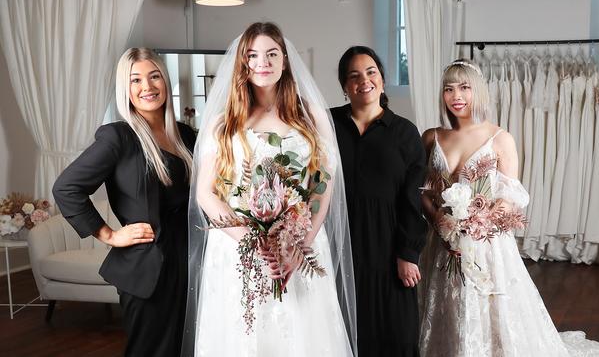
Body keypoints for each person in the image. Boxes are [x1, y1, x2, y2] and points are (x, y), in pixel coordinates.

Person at [418, 59, 599, 357]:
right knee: (447, 303)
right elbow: (423, 191)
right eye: (449, 89)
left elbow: (511, 196)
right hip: (443, 244)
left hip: (486, 245)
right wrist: (440, 221)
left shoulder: (500, 138)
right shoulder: (432, 136)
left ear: (479, 91)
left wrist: (478, 225)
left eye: (464, 88)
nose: (456, 96)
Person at [183, 22, 356, 357]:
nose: (262, 62)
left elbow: (322, 187)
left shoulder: (311, 115)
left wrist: (298, 246)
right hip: (238, 246)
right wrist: (253, 241)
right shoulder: (223, 120)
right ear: (242, 63)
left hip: (299, 243)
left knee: (302, 335)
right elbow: (206, 193)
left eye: (271, 54)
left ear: (285, 60)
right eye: (252, 55)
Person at [52, 48, 196, 356]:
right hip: (148, 267)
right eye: (136, 80)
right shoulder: (119, 137)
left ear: (165, 81)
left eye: (154, 76)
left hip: (190, 261)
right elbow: (66, 188)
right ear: (125, 89)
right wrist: (109, 235)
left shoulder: (185, 135)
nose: (147, 86)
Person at [331, 46, 427, 357]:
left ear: (382, 81)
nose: (364, 80)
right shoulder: (326, 125)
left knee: (395, 332)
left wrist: (407, 252)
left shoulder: (405, 133)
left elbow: (413, 197)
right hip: (339, 242)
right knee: (344, 328)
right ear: (345, 86)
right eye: (354, 75)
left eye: (371, 72)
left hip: (388, 244)